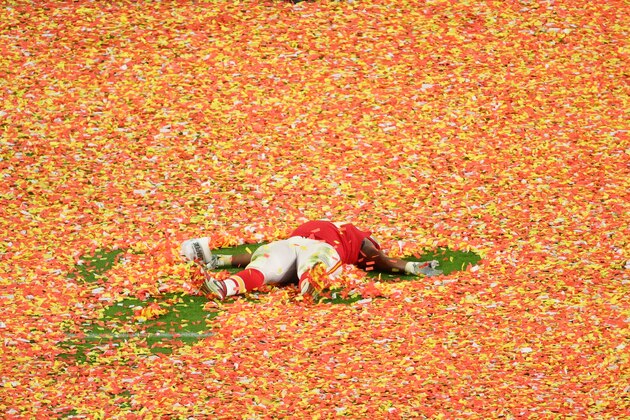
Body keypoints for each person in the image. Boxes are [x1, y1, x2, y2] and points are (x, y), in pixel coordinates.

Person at [180, 220, 442, 300]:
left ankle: (224, 287)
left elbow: (250, 254)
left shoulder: (342, 233)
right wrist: (408, 265)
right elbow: (377, 258)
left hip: (288, 244)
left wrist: (219, 261)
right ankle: (310, 287)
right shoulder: (356, 237)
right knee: (314, 266)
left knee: (263, 264)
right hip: (319, 248)